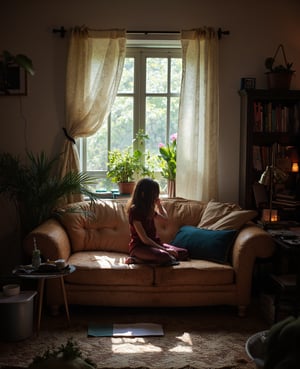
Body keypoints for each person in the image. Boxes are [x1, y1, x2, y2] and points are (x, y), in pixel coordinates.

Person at [126, 178, 189, 265]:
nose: (155, 196)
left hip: (154, 245)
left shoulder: (149, 210)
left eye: (156, 194)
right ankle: (136, 259)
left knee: (183, 253)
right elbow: (144, 239)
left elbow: (165, 219)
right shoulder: (135, 211)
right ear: (143, 194)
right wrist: (165, 250)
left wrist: (159, 205)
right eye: (153, 194)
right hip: (139, 247)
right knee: (164, 256)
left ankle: (166, 258)